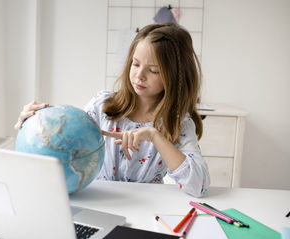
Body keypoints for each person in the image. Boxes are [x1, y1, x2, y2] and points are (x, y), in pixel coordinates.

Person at [15, 23, 210, 197]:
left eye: (153, 70)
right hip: (99, 201)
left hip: (147, 209)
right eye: (135, 64)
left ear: (175, 76)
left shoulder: (179, 123)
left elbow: (199, 186)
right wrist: (34, 123)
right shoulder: (103, 105)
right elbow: (66, 134)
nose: (139, 76)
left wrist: (155, 136)